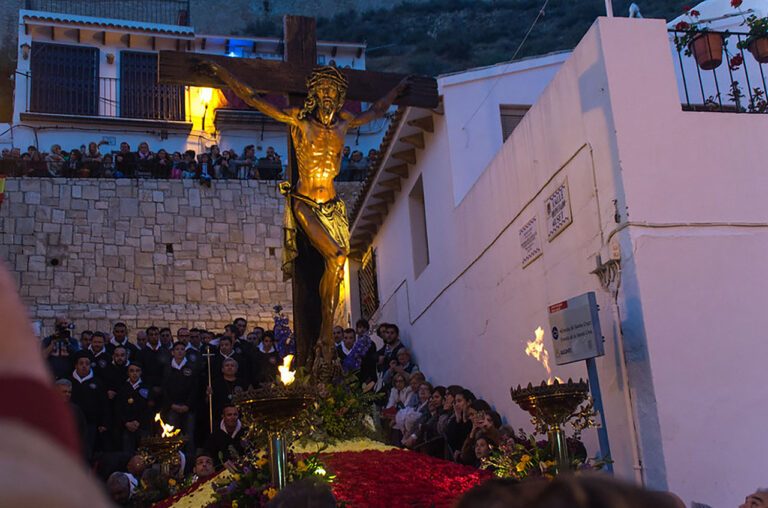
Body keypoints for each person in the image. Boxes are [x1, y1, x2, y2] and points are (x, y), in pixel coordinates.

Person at [199, 62, 410, 376]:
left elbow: (378, 109)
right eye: (322, 90)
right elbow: (256, 99)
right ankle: (327, 336)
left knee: (338, 266)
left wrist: (398, 89)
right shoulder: (300, 120)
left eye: (333, 92)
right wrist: (222, 75)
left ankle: (326, 339)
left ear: (339, 98)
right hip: (305, 202)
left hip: (333, 205)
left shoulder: (345, 122)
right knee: (337, 255)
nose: (327, 96)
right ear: (313, 94)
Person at [69, 351, 109, 461]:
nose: (84, 366)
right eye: (81, 363)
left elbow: (104, 404)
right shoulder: (69, 382)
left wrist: (103, 423)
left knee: (87, 451)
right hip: (72, 422)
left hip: (91, 424)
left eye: (87, 363)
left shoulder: (97, 382)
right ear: (76, 365)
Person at [115, 362, 152, 453]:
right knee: (127, 452)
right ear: (128, 373)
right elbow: (118, 408)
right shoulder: (122, 388)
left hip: (142, 425)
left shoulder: (146, 388)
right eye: (132, 371)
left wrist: (138, 421)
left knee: (144, 453)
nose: (134, 373)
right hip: (126, 426)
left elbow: (149, 408)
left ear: (141, 372)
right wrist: (126, 422)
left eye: (137, 371)